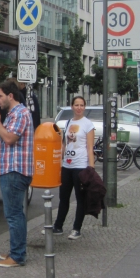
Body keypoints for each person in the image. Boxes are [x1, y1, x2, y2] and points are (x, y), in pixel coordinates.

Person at [0, 81, 34, 268]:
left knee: (14, 214)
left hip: (14, 170)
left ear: (10, 95)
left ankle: (17, 256)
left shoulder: (20, 114)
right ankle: (16, 251)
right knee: (16, 214)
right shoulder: (14, 114)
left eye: (0, 96)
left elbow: (8, 138)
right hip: (10, 169)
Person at [53, 95, 96, 240]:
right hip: (67, 165)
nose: (79, 108)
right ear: (72, 106)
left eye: (81, 105)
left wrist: (91, 167)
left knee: (80, 198)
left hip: (81, 165)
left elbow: (90, 147)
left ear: (84, 107)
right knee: (63, 197)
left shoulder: (88, 124)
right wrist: (60, 159)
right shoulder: (69, 122)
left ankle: (76, 228)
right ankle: (58, 226)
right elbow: (65, 144)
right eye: (76, 105)